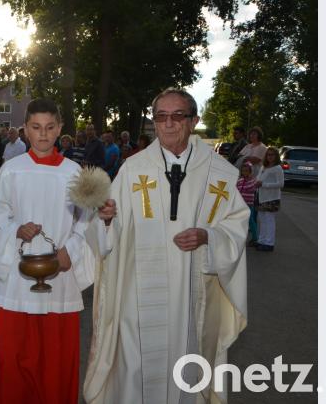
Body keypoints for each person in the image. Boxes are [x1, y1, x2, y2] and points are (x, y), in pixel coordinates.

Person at [84, 88, 249, 404]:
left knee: (185, 370)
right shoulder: (134, 169)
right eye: (161, 117)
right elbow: (110, 226)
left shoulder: (220, 174)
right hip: (138, 297)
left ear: (193, 121)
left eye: (178, 116)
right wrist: (105, 219)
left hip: (192, 297)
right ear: (154, 122)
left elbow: (236, 226)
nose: (169, 124)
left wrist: (209, 237)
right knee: (134, 365)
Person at [0, 98, 109, 403]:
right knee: (13, 358)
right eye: (36, 127)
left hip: (60, 275)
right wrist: (17, 230)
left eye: (50, 127)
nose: (43, 134)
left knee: (56, 361)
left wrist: (73, 250)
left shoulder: (75, 172)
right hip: (18, 275)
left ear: (60, 129)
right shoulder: (11, 170)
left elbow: (87, 221)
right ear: (25, 129)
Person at [255, 147, 284, 252]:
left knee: (269, 220)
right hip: (261, 197)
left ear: (276, 156)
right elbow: (258, 178)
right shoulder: (263, 167)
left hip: (272, 198)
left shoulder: (278, 168)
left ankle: (269, 243)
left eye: (272, 155)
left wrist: (264, 184)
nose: (270, 157)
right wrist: (257, 183)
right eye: (268, 154)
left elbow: (281, 184)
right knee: (262, 220)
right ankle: (261, 241)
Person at [236, 162, 259, 245]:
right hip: (240, 204)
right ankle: (239, 236)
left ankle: (255, 238)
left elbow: (253, 188)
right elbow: (236, 189)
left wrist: (244, 187)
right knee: (239, 220)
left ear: (250, 171)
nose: (244, 172)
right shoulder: (240, 180)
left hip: (249, 204)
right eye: (243, 171)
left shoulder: (253, 180)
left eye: (246, 171)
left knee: (250, 221)